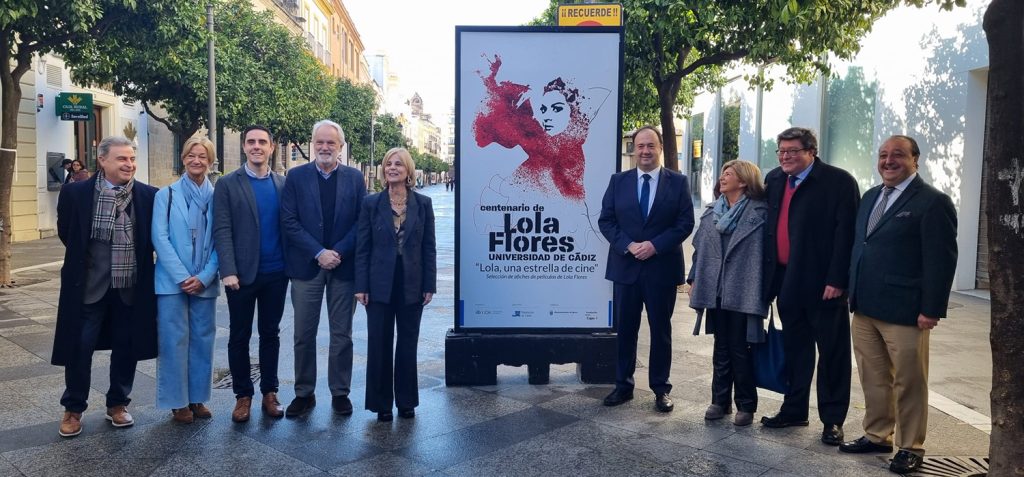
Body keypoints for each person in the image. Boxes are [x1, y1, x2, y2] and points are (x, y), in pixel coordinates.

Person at [840, 135, 957, 474]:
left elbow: (941, 259)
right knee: (872, 377)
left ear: (915, 160)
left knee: (909, 381)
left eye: (898, 155)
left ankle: (911, 446)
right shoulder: (871, 196)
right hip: (864, 306)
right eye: (883, 155)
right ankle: (877, 434)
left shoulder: (933, 202)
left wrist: (932, 308)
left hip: (906, 311)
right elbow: (861, 245)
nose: (888, 161)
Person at [52, 136, 158, 437]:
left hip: (130, 286)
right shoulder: (76, 194)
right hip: (89, 285)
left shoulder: (148, 196)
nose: (129, 164)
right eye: (122, 159)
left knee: (126, 346)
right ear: (103, 160)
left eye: (132, 159)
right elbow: (68, 234)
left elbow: (150, 239)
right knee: (80, 346)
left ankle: (118, 404)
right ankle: (73, 408)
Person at [761, 127, 860, 446]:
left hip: (824, 287)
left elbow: (847, 235)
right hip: (786, 282)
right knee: (795, 351)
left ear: (811, 152)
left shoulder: (838, 182)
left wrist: (838, 280)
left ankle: (832, 420)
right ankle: (794, 409)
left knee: (832, 354)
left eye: (793, 151)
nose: (786, 157)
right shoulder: (774, 179)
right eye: (781, 151)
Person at [598, 126, 695, 412]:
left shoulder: (677, 182)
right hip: (626, 267)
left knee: (661, 331)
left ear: (660, 147)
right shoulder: (619, 181)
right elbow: (607, 220)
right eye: (640, 146)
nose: (645, 151)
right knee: (626, 330)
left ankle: (661, 389)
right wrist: (628, 245)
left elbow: (685, 223)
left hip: (661, 268)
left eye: (650, 145)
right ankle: (623, 385)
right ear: (634, 148)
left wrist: (654, 245)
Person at [280, 120, 366, 417]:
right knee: (303, 334)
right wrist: (318, 253)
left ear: (341, 147)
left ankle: (340, 392)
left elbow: (361, 221)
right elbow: (289, 221)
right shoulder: (295, 176)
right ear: (312, 144)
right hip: (307, 267)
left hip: (343, 268)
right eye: (320, 142)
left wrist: (337, 251)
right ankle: (304, 393)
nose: (325, 147)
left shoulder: (355, 179)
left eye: (331, 143)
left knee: (342, 335)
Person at [213, 125, 288, 423]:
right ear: (244, 147)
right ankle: (243, 395)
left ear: (271, 147)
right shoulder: (228, 183)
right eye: (251, 142)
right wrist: (227, 270)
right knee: (239, 335)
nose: (256, 146)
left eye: (262, 142)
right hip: (241, 276)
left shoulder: (283, 184)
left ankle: (270, 392)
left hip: (276, 273)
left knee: (271, 333)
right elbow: (221, 228)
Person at [355, 147, 437, 422]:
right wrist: (361, 285)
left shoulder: (423, 204)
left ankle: (406, 401)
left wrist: (430, 283)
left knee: (407, 344)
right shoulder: (371, 203)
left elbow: (429, 248)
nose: (392, 168)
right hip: (379, 283)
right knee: (379, 343)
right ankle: (381, 404)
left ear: (408, 170)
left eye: (398, 164)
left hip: (412, 282)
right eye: (388, 164)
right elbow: (362, 248)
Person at [687, 160, 769, 427]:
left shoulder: (760, 212)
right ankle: (719, 401)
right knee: (721, 346)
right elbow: (699, 248)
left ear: (744, 181)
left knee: (740, 347)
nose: (722, 178)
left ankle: (746, 405)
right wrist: (693, 279)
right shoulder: (713, 211)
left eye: (729, 174)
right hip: (716, 289)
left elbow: (768, 255)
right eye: (722, 173)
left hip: (745, 288)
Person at [152, 136, 220, 423]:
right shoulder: (165, 195)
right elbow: (160, 238)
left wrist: (204, 276)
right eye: (192, 155)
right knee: (173, 341)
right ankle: (177, 402)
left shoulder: (218, 196)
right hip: (172, 282)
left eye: (203, 156)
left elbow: (221, 240)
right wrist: (183, 277)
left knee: (203, 340)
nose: (197, 161)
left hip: (205, 281)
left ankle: (197, 398)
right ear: (183, 158)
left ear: (210, 161)